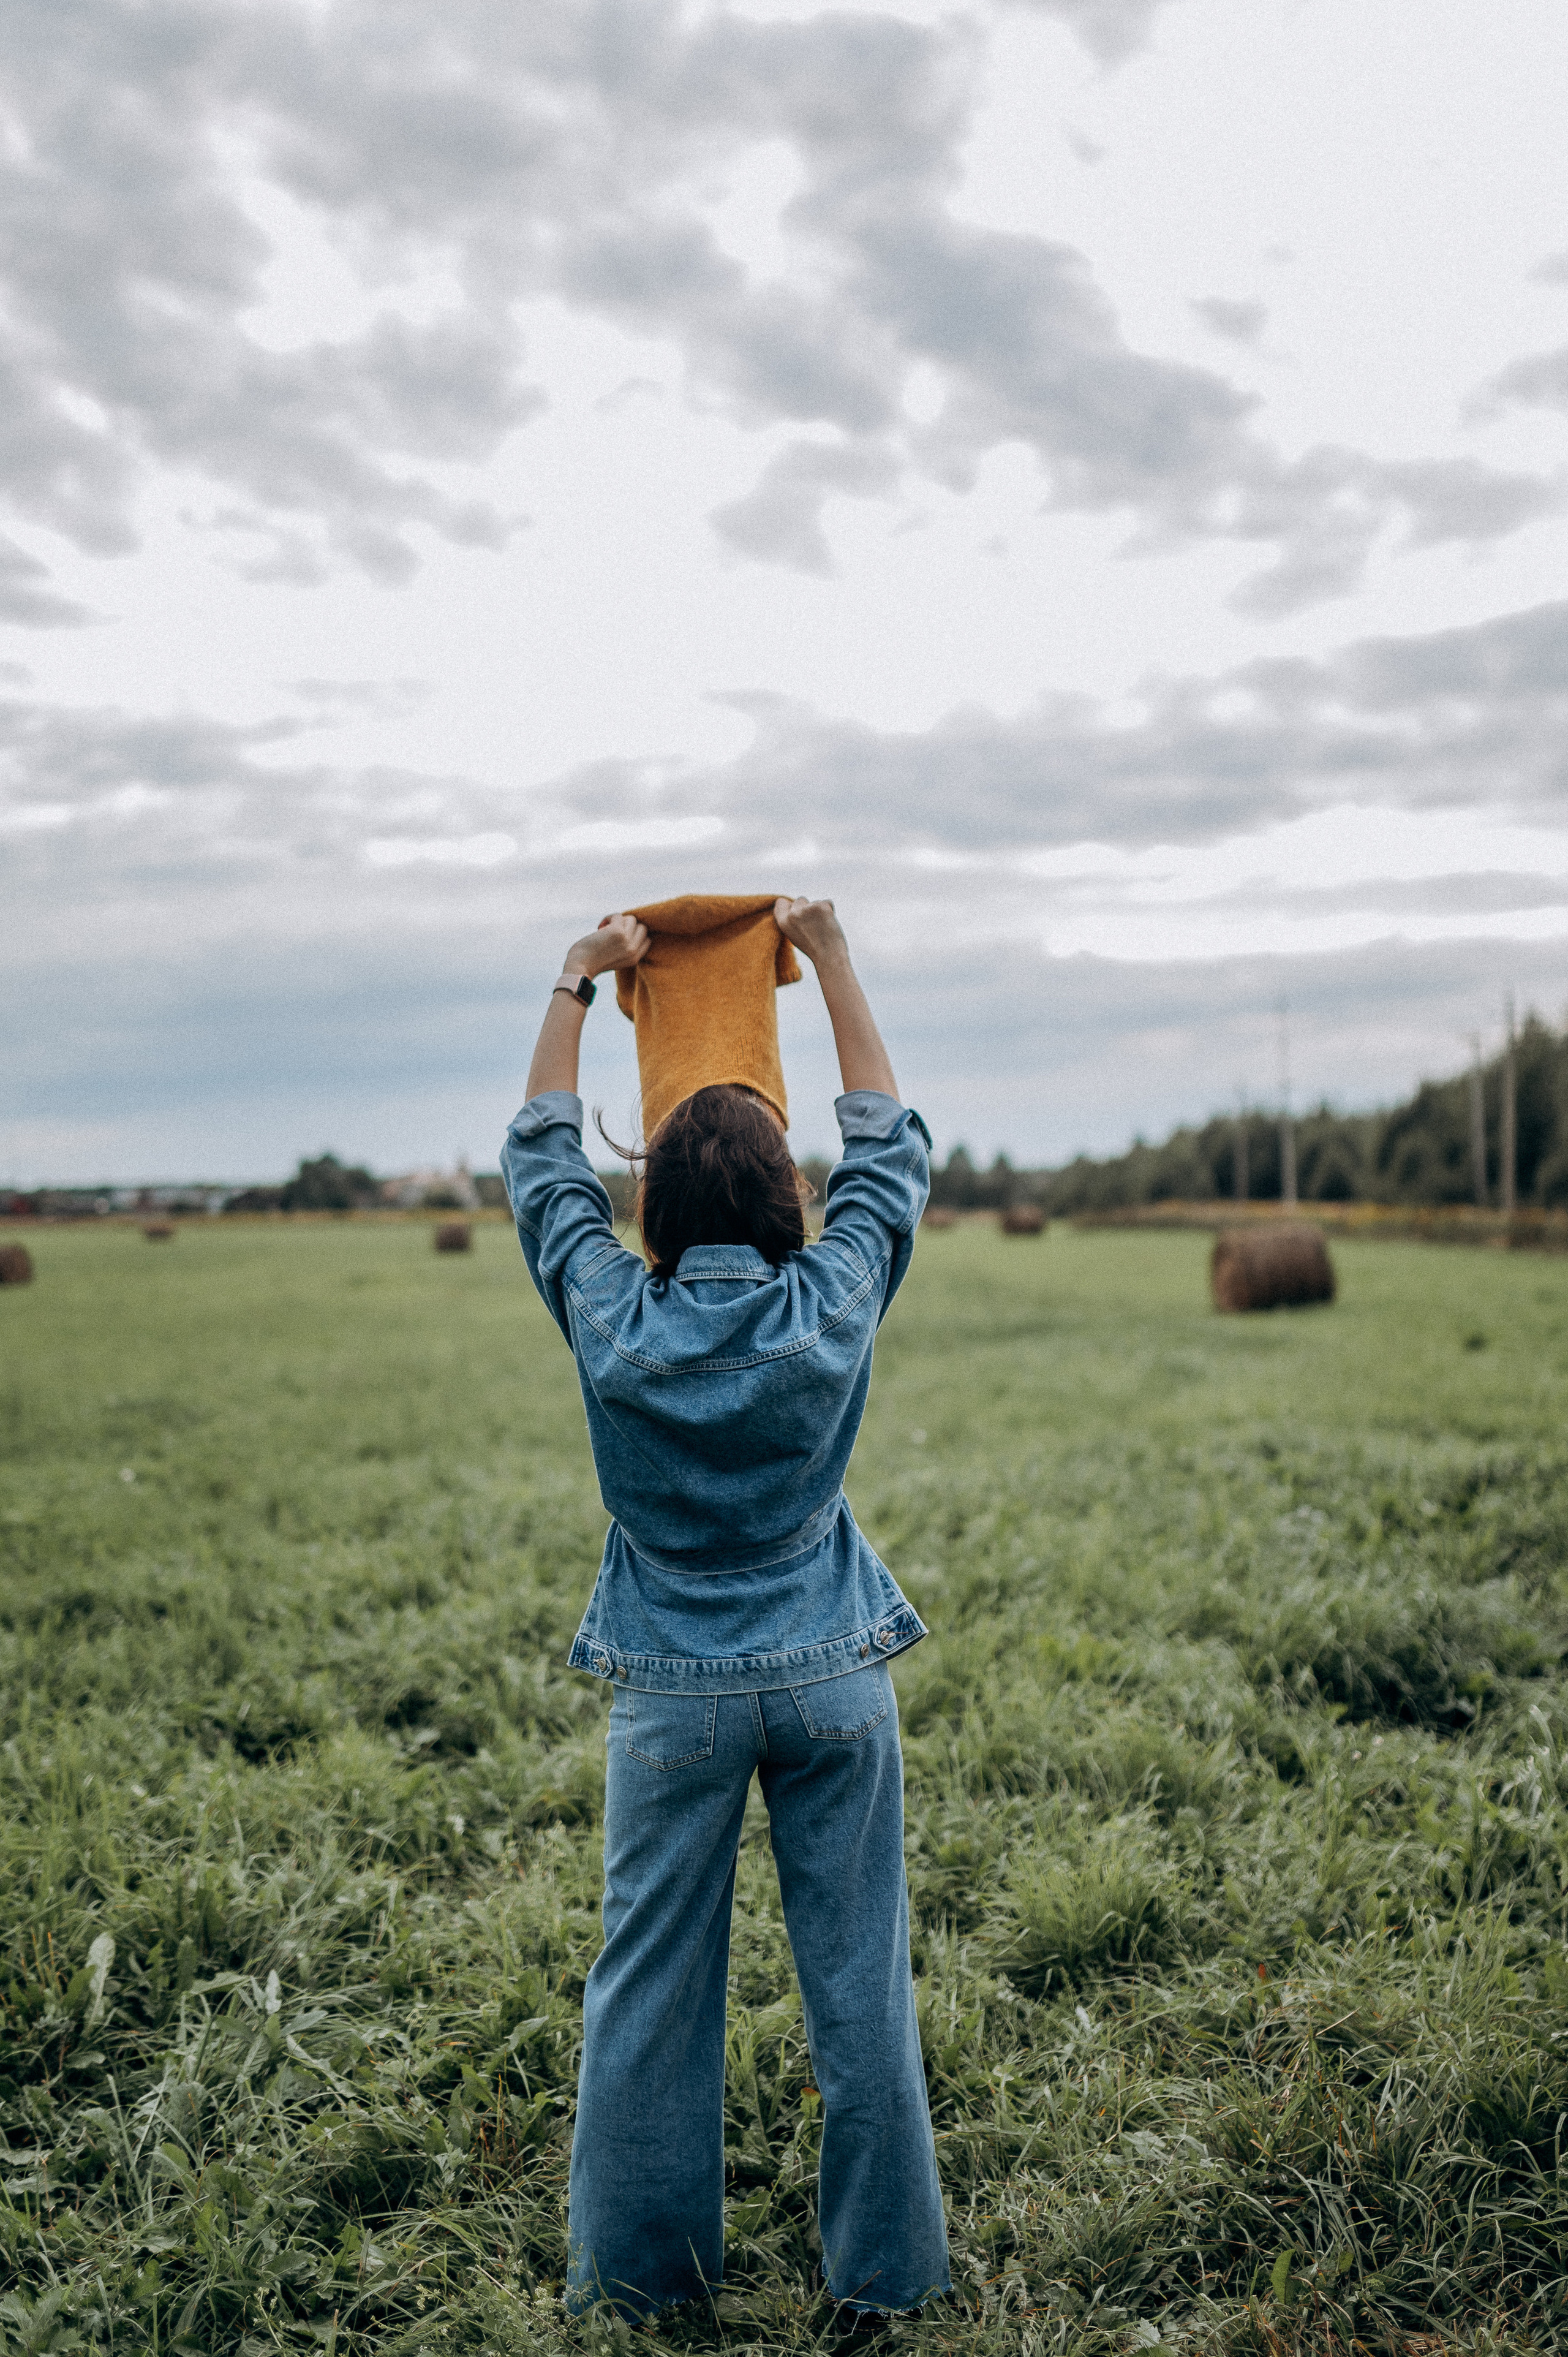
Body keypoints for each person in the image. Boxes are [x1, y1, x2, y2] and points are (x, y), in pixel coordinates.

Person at [501, 896, 949, 2326]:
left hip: (672, 1697)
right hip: (834, 1682)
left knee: (645, 1995)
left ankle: (642, 2296)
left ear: (655, 1210)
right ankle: (881, 2292)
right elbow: (889, 1142)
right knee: (860, 1993)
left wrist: (578, 981)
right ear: (783, 1201)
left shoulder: (608, 1316)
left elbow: (538, 1163)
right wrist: (826, 962)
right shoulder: (830, 1302)